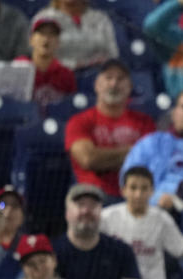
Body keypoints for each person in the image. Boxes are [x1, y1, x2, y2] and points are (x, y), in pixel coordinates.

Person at [101, 166, 183, 279]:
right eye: (133, 188)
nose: (138, 194)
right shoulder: (106, 217)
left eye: (144, 188)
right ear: (123, 190)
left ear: (152, 191)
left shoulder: (162, 219)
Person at [65, 60, 156, 198]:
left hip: (135, 196)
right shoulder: (79, 121)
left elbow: (150, 160)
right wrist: (133, 152)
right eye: (108, 78)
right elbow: (88, 159)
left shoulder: (145, 122)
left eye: (120, 79)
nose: (114, 84)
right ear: (97, 85)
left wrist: (103, 159)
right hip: (94, 196)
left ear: (130, 87)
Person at [54, 181, 143, 279]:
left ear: (101, 211)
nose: (86, 211)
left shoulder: (122, 252)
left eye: (93, 205)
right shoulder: (52, 254)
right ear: (67, 213)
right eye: (80, 204)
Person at [32, 0, 119, 71]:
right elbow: (37, 54)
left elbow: (112, 54)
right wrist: (74, 65)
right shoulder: (44, 17)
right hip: (58, 74)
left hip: (95, 75)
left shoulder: (100, 18)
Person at [13, 17, 77, 108]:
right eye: (41, 33)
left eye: (51, 34)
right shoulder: (18, 67)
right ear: (31, 40)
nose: (46, 39)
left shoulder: (66, 74)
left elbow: (70, 106)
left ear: (58, 42)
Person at [0, 233, 82, 279]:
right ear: (23, 268)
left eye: (42, 261)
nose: (38, 268)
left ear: (54, 261)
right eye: (30, 264)